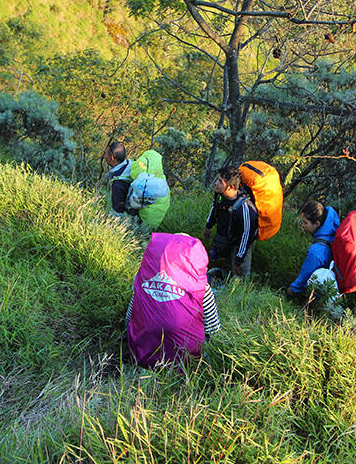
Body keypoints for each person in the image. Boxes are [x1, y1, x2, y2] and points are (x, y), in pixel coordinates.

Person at [126, 233, 221, 368]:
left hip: (142, 356)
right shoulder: (202, 288)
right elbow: (213, 328)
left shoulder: (141, 278)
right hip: (185, 362)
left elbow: (131, 315)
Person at [203, 166, 258, 277]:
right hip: (225, 239)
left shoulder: (245, 209)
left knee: (239, 276)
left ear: (231, 187)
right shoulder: (220, 196)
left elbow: (246, 236)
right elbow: (214, 209)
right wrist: (208, 227)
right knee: (224, 266)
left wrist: (239, 260)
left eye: (220, 181)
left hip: (240, 245)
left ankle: (241, 290)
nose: (216, 183)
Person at [286, 201, 341, 298]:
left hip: (328, 287)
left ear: (317, 223)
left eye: (305, 222)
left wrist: (291, 290)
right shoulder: (333, 226)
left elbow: (304, 277)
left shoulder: (316, 252)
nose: (303, 225)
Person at [103, 141, 134, 217]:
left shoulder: (119, 182)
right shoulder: (131, 165)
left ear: (112, 158)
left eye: (105, 154)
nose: (104, 156)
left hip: (133, 220)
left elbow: (118, 212)